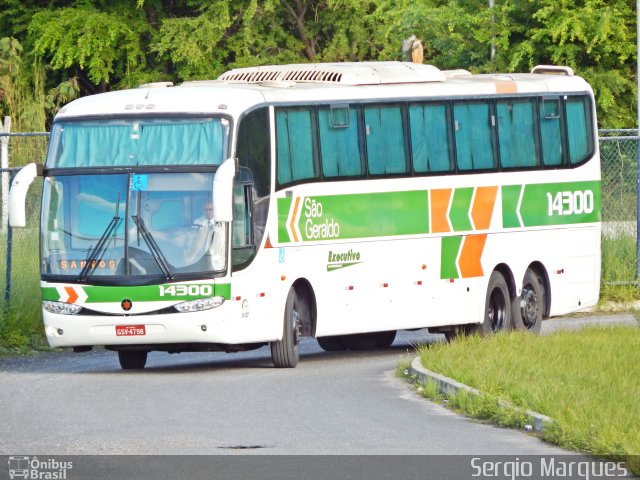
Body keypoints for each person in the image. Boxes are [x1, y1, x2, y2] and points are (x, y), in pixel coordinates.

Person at [187, 201, 226, 270]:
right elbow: (192, 239)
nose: (208, 212)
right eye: (206, 210)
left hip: (216, 258)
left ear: (215, 210)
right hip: (199, 256)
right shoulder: (197, 222)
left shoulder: (222, 224)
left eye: (210, 209)